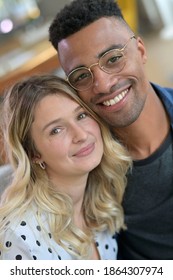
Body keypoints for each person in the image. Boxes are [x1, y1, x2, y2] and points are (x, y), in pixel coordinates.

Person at [48, 0, 173, 259]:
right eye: (81, 75)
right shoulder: (85, 167)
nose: (103, 85)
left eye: (113, 58)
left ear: (140, 50)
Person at [0, 74, 131, 260]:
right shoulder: (21, 237)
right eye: (56, 130)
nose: (81, 135)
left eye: (81, 115)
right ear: (33, 153)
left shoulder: (100, 203)